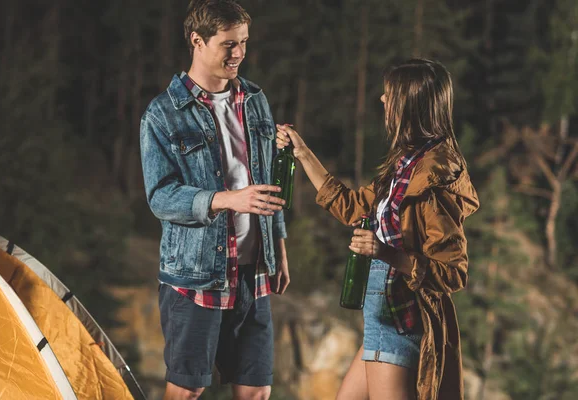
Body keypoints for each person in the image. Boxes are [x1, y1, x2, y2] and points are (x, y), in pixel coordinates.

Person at [276, 59, 479, 400]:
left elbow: (452, 274)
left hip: (400, 322)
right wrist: (303, 153)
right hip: (381, 319)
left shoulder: (433, 178)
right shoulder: (406, 164)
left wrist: (383, 252)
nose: (382, 101)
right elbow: (352, 207)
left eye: (389, 95)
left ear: (410, 104)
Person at [139, 1, 290, 399]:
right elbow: (161, 197)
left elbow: (268, 184)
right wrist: (227, 199)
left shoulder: (256, 100)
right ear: (197, 41)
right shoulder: (162, 115)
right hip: (196, 277)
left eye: (243, 42)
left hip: (254, 273)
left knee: (256, 393)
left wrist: (279, 249)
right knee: (186, 392)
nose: (238, 53)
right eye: (228, 44)